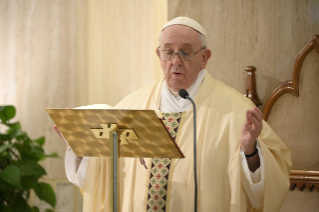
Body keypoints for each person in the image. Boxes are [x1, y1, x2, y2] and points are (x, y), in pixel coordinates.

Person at [56, 17, 291, 212]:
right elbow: (100, 178)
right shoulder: (131, 107)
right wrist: (82, 147)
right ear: (159, 55)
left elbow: (271, 185)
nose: (176, 61)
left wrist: (251, 152)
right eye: (168, 53)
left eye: (186, 53)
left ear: (204, 58)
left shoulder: (237, 112)